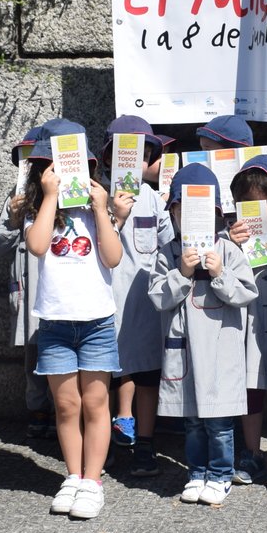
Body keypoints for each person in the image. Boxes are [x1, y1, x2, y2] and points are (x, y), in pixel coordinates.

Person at [23, 118, 124, 521]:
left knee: (96, 403)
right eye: (54, 166)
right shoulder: (39, 210)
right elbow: (37, 245)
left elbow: (113, 257)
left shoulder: (96, 210)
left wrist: (101, 209)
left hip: (97, 322)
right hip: (55, 323)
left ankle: (93, 481)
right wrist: (50, 196)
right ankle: (73, 475)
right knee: (66, 405)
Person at [150, 164, 258, 505]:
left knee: (220, 422)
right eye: (182, 210)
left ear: (216, 214)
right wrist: (181, 273)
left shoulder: (228, 251)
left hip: (219, 352)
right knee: (193, 421)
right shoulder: (168, 253)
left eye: (202, 211)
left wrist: (220, 273)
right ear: (173, 213)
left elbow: (247, 293)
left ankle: (221, 474)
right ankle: (196, 473)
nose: (191, 218)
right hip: (184, 352)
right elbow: (158, 297)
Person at [102, 115, 175, 476]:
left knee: (147, 374)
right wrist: (114, 216)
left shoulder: (152, 199)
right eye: (126, 153)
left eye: (144, 154)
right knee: (106, 376)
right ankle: (104, 444)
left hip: (145, 301)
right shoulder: (95, 195)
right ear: (109, 156)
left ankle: (145, 445)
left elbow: (168, 241)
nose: (136, 161)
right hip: (104, 300)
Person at [227, 154, 267, 484]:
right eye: (247, 204)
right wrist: (232, 244)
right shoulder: (231, 236)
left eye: (264, 204)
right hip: (249, 324)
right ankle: (251, 452)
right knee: (250, 388)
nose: (256, 211)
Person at [0, 126, 55, 440]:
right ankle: (38, 408)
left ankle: (60, 409)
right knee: (34, 351)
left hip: (58, 281)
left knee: (59, 347)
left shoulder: (67, 192)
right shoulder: (17, 196)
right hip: (29, 283)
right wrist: (14, 220)